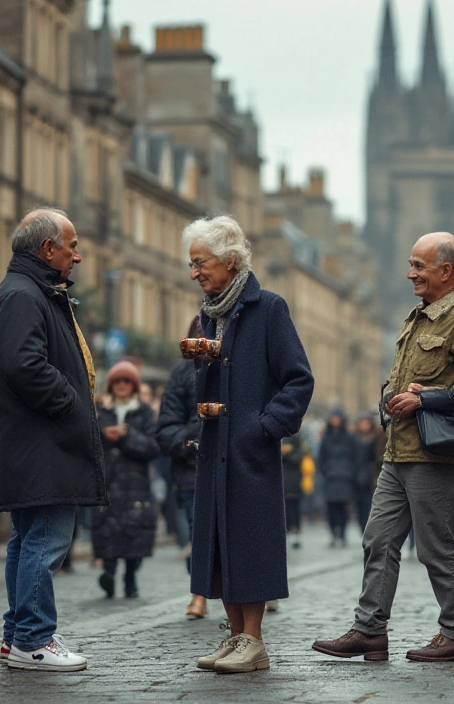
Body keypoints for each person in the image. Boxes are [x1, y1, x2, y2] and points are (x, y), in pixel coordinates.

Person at [313, 232, 454, 664]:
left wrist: (427, 397)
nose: (410, 273)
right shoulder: (420, 316)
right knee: (377, 540)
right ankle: (369, 631)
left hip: (437, 455)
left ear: (445, 271)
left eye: (419, 266)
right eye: (411, 264)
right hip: (398, 452)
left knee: (435, 547)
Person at [185, 216, 314, 674]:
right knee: (217, 541)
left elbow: (299, 379)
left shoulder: (269, 309)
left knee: (249, 540)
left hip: (249, 449)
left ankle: (254, 640)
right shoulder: (206, 314)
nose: (195, 272)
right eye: (192, 263)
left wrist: (264, 427)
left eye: (201, 263)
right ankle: (235, 634)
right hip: (213, 444)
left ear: (230, 261)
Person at [0, 209, 106, 673]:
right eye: (71, 246)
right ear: (47, 249)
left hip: (37, 442)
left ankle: (18, 636)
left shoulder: (31, 290)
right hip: (43, 443)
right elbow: (24, 365)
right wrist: (71, 403)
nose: (77, 256)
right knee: (46, 540)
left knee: (29, 538)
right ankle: (33, 640)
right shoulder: (23, 295)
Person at [93, 361, 160, 599]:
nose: (122, 385)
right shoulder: (101, 410)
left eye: (126, 381)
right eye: (118, 381)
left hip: (135, 484)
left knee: (135, 531)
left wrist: (126, 436)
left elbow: (153, 446)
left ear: (133, 385)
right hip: (108, 481)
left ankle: (130, 578)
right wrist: (104, 435)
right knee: (107, 529)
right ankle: (109, 574)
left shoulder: (143, 412)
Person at [157, 317, 206, 618]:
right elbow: (166, 427)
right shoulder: (181, 373)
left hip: (233, 468)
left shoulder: (232, 367)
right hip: (191, 470)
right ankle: (198, 593)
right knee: (196, 534)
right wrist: (191, 441)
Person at [317, 409, 360, 547]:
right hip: (331, 477)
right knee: (330, 508)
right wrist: (326, 471)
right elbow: (321, 458)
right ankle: (333, 534)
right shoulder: (326, 438)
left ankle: (342, 534)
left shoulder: (349, 438)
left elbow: (355, 457)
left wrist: (350, 472)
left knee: (343, 507)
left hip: (345, 478)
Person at [352, 414, 384, 529]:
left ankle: (371, 527)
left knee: (372, 503)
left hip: (372, 475)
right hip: (357, 475)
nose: (364, 426)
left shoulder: (376, 438)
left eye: (366, 423)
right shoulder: (354, 438)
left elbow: (378, 456)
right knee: (360, 504)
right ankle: (362, 527)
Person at [282, 432, 307, 551]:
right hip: (282, 477)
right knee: (285, 507)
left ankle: (295, 531)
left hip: (294, 479)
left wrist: (288, 454)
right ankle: (287, 532)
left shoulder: (298, 440)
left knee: (294, 507)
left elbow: (300, 456)